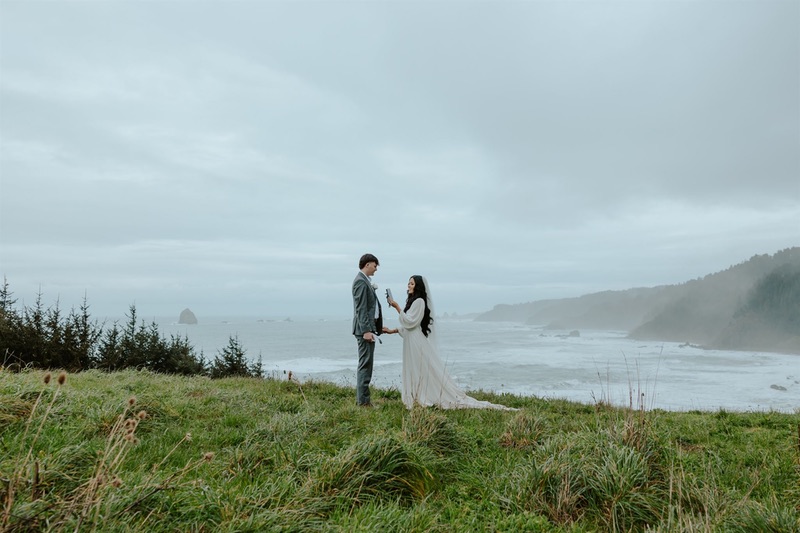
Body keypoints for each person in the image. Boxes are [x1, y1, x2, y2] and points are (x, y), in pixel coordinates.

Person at [386, 275, 516, 411]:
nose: (408, 286)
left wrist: (397, 307)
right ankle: (416, 395)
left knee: (421, 369)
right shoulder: (414, 301)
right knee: (415, 369)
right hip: (411, 341)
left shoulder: (419, 301)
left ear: (418, 286)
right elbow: (409, 326)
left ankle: (423, 395)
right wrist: (392, 331)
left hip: (416, 342)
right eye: (408, 283)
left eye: (411, 284)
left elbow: (411, 322)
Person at [351, 253, 385, 407]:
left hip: (370, 329)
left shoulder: (365, 281)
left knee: (367, 364)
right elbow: (361, 309)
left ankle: (364, 400)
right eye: (375, 265)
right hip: (364, 331)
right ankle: (363, 402)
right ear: (367, 264)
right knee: (365, 365)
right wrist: (366, 330)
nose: (376, 268)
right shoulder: (360, 282)